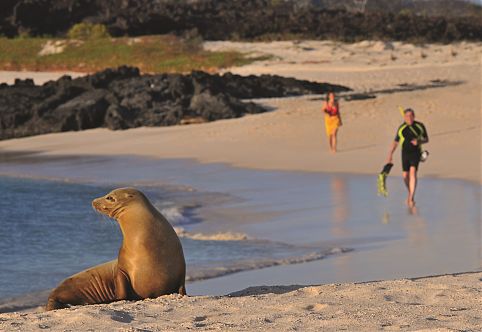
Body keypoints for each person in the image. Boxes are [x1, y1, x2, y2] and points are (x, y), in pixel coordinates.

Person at [386, 108, 429, 208]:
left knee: (413, 172)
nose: (409, 118)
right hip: (404, 153)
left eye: (411, 116)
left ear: (414, 116)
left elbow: (426, 139)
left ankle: (410, 197)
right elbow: (396, 142)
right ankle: (411, 193)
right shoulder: (401, 128)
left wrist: (419, 142)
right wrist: (390, 154)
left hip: (415, 152)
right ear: (404, 117)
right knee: (405, 176)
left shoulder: (420, 126)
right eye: (407, 116)